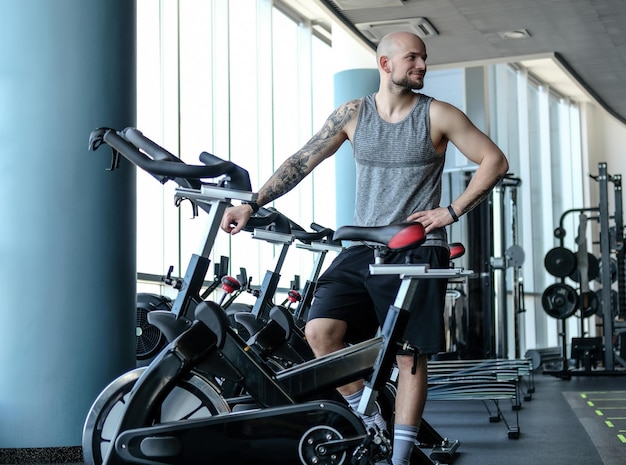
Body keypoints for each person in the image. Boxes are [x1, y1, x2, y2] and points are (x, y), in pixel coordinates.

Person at [221, 31, 509, 465]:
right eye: (412, 57)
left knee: (409, 355)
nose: (422, 65)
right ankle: (368, 413)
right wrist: (252, 202)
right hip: (363, 246)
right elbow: (303, 159)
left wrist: (451, 211)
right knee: (320, 332)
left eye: (424, 58)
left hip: (416, 248)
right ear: (385, 64)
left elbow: (494, 160)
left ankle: (400, 455)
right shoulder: (353, 114)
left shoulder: (439, 115)